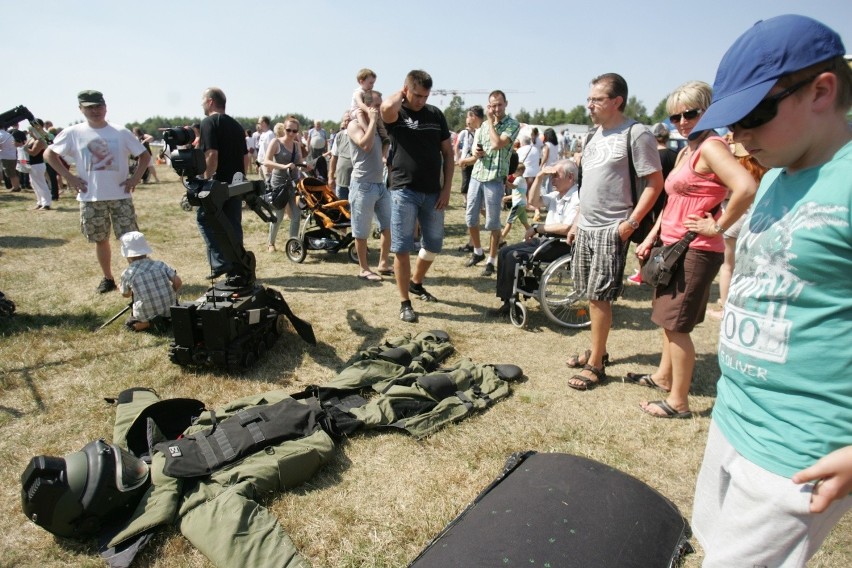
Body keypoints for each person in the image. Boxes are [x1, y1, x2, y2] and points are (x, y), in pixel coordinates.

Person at [683, 15, 852, 567]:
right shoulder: (779, 171)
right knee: (711, 547)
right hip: (735, 417)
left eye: (754, 115)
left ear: (821, 91)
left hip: (798, 447)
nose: (739, 137)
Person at [627, 80, 757, 419]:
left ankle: (679, 401)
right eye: (674, 117)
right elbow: (674, 200)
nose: (682, 121)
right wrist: (652, 235)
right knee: (667, 319)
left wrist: (718, 225)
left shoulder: (711, 147)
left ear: (707, 111)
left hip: (696, 249)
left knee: (677, 325)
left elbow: (745, 187)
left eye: (690, 113)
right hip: (673, 246)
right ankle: (663, 376)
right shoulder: (688, 147)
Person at [565, 73, 663, 390]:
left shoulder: (636, 134)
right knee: (588, 293)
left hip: (612, 229)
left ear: (616, 101)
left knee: (599, 297)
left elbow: (654, 183)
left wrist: (630, 224)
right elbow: (587, 185)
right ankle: (599, 350)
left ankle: (596, 365)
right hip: (587, 228)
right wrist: (577, 219)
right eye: (589, 98)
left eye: (597, 99)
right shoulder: (592, 136)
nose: (589, 105)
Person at [44, 90, 149, 293]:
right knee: (100, 240)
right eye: (89, 107)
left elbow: (143, 156)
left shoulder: (121, 132)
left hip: (120, 196)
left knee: (130, 239)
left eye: (98, 106)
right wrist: (69, 177)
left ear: (105, 107)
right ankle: (108, 278)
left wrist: (135, 178)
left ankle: (138, 278)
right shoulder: (73, 132)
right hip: (91, 196)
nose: (95, 111)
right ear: (81, 109)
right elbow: (50, 154)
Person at [380, 69, 454, 323]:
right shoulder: (397, 114)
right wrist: (400, 96)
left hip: (433, 191)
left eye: (425, 96)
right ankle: (405, 303)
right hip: (403, 190)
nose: (421, 100)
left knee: (433, 244)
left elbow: (448, 154)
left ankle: (416, 282)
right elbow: (384, 108)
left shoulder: (435, 115)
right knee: (401, 247)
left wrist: (446, 189)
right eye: (417, 95)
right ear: (406, 90)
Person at [489, 159, 580, 316]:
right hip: (548, 240)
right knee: (504, 252)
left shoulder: (576, 197)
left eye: (556, 176)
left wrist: (538, 228)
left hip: (561, 244)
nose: (552, 180)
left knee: (513, 256)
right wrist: (539, 177)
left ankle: (511, 302)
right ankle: (507, 301)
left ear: (570, 177)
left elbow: (566, 228)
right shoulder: (557, 195)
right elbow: (532, 201)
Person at [463, 91, 520, 277]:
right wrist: (474, 155)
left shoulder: (512, 124)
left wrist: (490, 123)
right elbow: (477, 150)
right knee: (470, 217)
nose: (495, 109)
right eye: (492, 105)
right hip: (477, 175)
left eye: (499, 105)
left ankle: (492, 259)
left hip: (495, 178)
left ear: (505, 104)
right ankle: (478, 251)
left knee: (492, 222)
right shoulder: (484, 126)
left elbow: (497, 144)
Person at [197, 87, 248, 281]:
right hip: (235, 183)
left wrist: (205, 179)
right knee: (233, 225)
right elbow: (245, 157)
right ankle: (239, 269)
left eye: (202, 100)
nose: (201, 104)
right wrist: (241, 179)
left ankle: (219, 261)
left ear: (210, 102)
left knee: (205, 219)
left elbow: (212, 154)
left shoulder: (209, 122)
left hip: (216, 184)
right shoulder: (236, 125)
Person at [347, 91, 393, 282]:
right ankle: (364, 269)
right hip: (362, 185)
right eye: (377, 105)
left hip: (380, 184)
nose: (380, 108)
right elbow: (365, 145)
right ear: (367, 106)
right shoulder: (354, 125)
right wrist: (373, 121)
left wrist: (383, 154)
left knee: (388, 225)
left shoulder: (378, 126)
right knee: (361, 230)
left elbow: (386, 141)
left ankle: (383, 263)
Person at [118, 231, 182, 332]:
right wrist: (171, 292)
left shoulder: (128, 273)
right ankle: (167, 319)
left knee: (129, 324)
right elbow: (178, 282)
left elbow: (126, 294)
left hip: (146, 314)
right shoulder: (160, 264)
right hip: (170, 308)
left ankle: (148, 323)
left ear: (127, 255)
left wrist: (122, 288)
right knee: (169, 310)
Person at [263, 118, 303, 252]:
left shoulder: (297, 145)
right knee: (279, 216)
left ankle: (293, 244)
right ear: (284, 129)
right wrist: (283, 166)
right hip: (279, 184)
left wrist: (306, 166)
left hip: (293, 183)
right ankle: (271, 243)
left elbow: (300, 162)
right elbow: (266, 161)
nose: (291, 133)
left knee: (296, 215)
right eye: (289, 130)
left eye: (294, 131)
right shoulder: (276, 142)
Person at [499, 162, 531, 243]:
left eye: (514, 171)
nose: (513, 173)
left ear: (520, 171)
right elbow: (518, 193)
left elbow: (513, 186)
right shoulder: (523, 180)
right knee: (524, 222)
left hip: (517, 205)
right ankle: (531, 234)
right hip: (522, 204)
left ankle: (501, 238)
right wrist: (507, 197)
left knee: (509, 221)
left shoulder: (519, 179)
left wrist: (505, 181)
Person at [25, 120, 50, 210]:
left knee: (41, 184)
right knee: (34, 184)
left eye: (30, 130)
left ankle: (46, 203)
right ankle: (40, 202)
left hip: (38, 165)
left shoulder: (40, 141)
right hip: (32, 165)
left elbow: (34, 153)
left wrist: (25, 148)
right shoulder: (32, 140)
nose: (29, 132)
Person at [329, 112, 353, 200]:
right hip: (341, 181)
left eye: (349, 120)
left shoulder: (361, 135)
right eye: (345, 120)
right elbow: (334, 157)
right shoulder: (339, 136)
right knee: (342, 210)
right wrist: (331, 177)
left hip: (357, 183)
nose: (347, 122)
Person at [256, 116, 274, 183]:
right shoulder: (262, 134)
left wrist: (270, 165)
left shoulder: (270, 134)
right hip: (260, 163)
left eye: (259, 123)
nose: (258, 124)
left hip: (266, 164)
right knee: (261, 185)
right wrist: (257, 164)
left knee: (268, 184)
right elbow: (261, 150)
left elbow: (272, 150)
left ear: (263, 123)